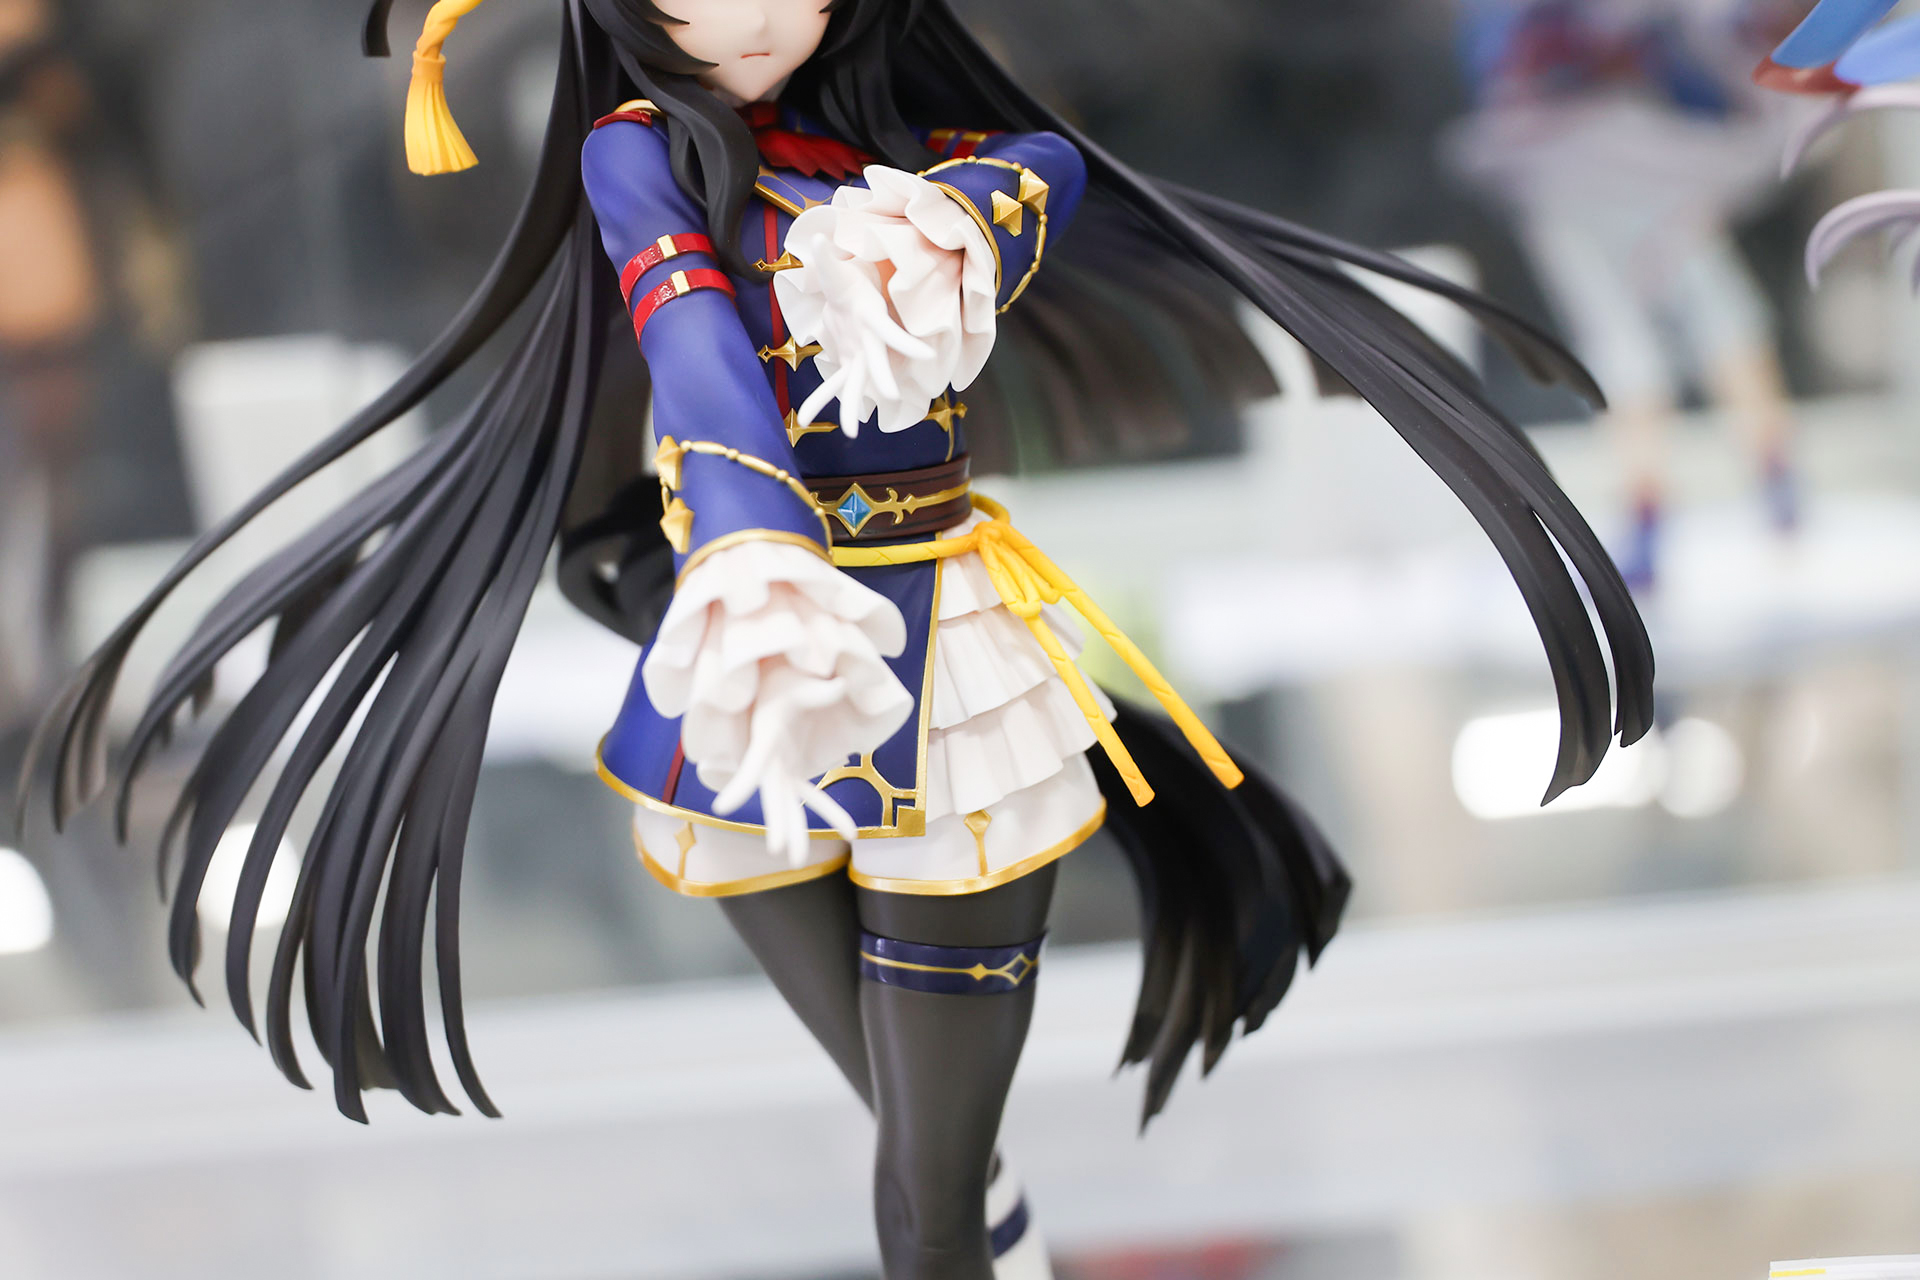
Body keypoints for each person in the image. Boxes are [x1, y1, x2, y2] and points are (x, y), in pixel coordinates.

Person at [20, 2, 1654, 1276]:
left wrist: (967, 219)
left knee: (936, 1155)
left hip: (941, 636)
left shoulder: (897, 139)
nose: (745, 19)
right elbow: (691, 342)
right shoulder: (633, 157)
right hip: (759, 644)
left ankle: (977, 1234)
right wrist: (745, 542)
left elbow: (1052, 161)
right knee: (921, 1141)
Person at [1448, 0, 1809, 592]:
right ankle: (1652, 517)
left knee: (1716, 321)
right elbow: (1499, 65)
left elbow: (1707, 59)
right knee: (1633, 344)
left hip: (1648, 165)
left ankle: (1772, 487)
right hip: (1570, 175)